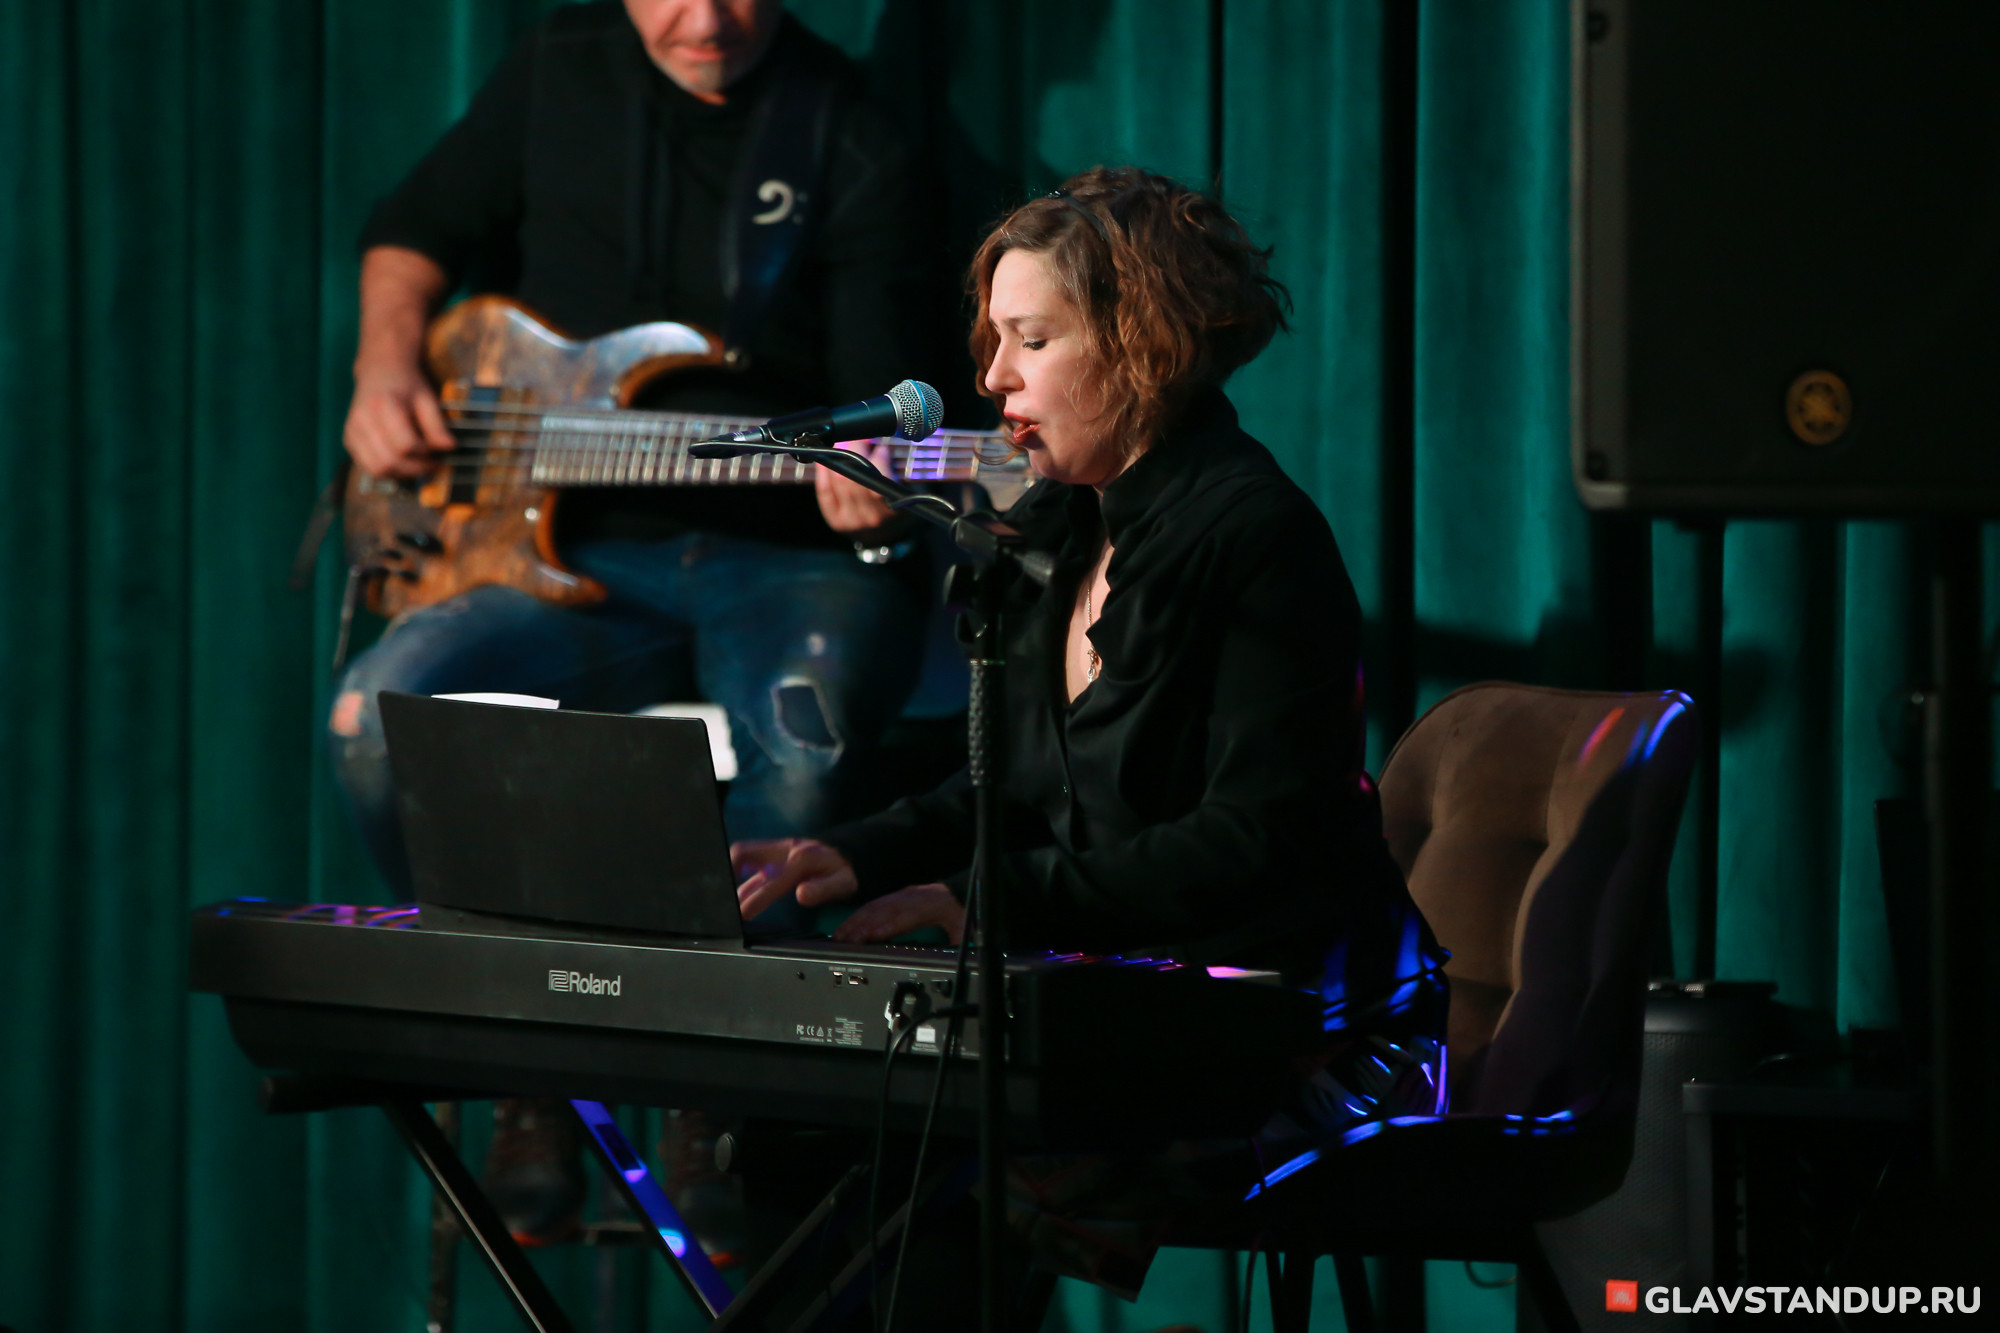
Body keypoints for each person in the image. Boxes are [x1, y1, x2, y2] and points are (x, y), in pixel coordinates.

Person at [732, 167, 1449, 1304]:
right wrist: (851, 854)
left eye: (1032, 340)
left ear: (1143, 347)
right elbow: (1011, 786)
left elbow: (1254, 840)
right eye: (994, 340)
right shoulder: (1056, 526)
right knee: (799, 1143)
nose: (992, 377)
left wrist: (990, 901)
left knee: (957, 1172)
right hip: (1131, 1003)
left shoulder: (1257, 537)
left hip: (1304, 1029)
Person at [326, 0, 943, 1246]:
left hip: (784, 558)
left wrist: (867, 475)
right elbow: (411, 229)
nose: (703, 20)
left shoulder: (853, 136)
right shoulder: (557, 72)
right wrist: (382, 368)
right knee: (378, 721)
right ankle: (529, 1058)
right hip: (567, 548)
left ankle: (719, 1090)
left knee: (805, 763)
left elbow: (882, 406)